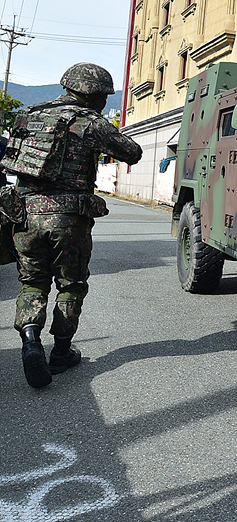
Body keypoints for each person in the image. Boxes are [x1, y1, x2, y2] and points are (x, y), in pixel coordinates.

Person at [2, 62, 142, 389]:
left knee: (33, 282)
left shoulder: (30, 113)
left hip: (24, 214)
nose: (105, 102)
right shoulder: (90, 122)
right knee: (71, 284)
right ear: (92, 95)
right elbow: (132, 153)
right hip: (69, 218)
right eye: (103, 96)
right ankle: (61, 352)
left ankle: (31, 341)